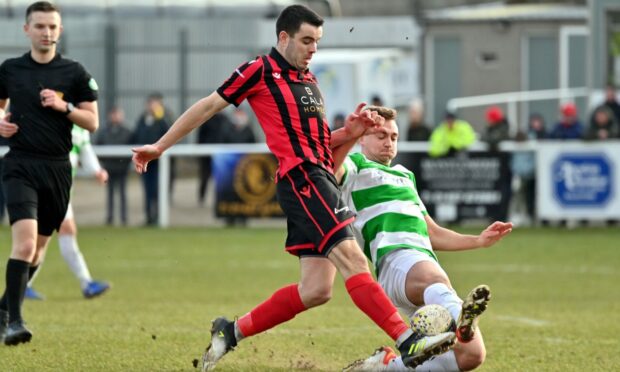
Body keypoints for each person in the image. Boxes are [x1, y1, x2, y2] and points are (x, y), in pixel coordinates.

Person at [132, 5, 455, 371]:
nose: (312, 48)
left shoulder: (310, 82)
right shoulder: (260, 70)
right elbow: (208, 106)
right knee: (353, 259)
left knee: (317, 289)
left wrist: (351, 133)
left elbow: (319, 145)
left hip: (316, 177)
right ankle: (407, 340)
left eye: (316, 41)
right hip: (305, 179)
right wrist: (160, 146)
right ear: (283, 37)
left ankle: (230, 331)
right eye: (306, 40)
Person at [335, 107, 513, 371]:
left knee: (471, 356)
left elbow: (432, 232)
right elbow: (328, 166)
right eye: (381, 135)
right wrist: (348, 133)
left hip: (421, 268)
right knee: (435, 280)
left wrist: (478, 240)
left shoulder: (406, 176)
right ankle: (461, 317)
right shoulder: (356, 166)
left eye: (394, 137)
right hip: (395, 260)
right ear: (363, 137)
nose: (388, 142)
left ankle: (386, 366)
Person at [0, 1, 99, 345]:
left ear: (60, 30)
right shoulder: (10, 69)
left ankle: (2, 312)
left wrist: (64, 106)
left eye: (52, 27)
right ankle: (15, 322)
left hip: (58, 169)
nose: (47, 33)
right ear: (26, 29)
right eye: (40, 26)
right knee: (24, 245)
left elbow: (92, 121)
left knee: (38, 252)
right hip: (20, 165)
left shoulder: (74, 73)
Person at [26, 124, 111, 300]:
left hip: (62, 190)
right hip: (48, 186)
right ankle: (86, 283)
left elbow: (85, 148)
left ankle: (24, 285)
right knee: (56, 234)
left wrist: (97, 170)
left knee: (42, 242)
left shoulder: (80, 125)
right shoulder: (55, 116)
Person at [132, 92, 171, 225]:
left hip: (160, 163)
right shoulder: (143, 120)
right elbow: (137, 136)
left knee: (159, 190)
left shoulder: (164, 120)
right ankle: (149, 216)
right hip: (146, 162)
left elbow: (168, 135)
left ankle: (159, 216)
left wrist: (159, 118)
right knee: (147, 190)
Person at [96, 105, 133, 225]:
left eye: (118, 114)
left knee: (122, 193)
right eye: (114, 114)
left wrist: (127, 163)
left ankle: (124, 218)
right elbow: (98, 147)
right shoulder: (104, 132)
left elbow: (132, 148)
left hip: (122, 169)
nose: (116, 117)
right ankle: (110, 217)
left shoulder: (127, 131)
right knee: (110, 193)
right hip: (109, 168)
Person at [197, 112, 230, 206]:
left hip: (221, 155)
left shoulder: (224, 119)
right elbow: (200, 137)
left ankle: (220, 199)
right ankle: (201, 198)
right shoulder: (206, 118)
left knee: (221, 178)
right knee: (204, 177)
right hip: (206, 154)